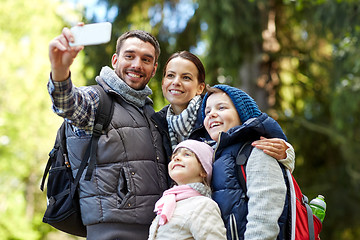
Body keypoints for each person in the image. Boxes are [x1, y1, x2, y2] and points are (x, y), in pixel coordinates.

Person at [48, 27, 168, 239]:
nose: (137, 65)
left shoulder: (151, 114)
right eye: (129, 56)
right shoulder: (97, 100)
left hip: (155, 229)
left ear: (154, 68)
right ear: (115, 60)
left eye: (146, 59)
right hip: (111, 230)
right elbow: (67, 104)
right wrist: (60, 71)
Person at [151, 50, 295, 170]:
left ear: (200, 88)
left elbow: (254, 129)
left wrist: (287, 153)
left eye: (186, 77)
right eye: (170, 75)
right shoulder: (156, 123)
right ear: (163, 82)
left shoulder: (214, 116)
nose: (176, 82)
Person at [202, 84, 291, 240]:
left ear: (242, 114)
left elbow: (264, 215)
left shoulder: (257, 151)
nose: (212, 114)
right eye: (207, 111)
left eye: (221, 108)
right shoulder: (212, 156)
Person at [148, 139, 226, 240]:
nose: (176, 158)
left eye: (187, 154)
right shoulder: (166, 203)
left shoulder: (203, 205)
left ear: (204, 170)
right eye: (173, 156)